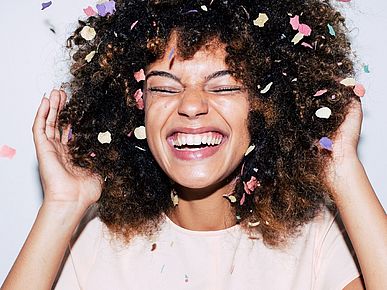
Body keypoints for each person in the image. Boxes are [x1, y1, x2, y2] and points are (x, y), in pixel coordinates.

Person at [2, 0, 387, 289]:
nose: (190, 105)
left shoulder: (318, 237)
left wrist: (341, 167)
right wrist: (62, 205)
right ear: (135, 109)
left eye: (223, 86)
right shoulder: (91, 241)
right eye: (165, 88)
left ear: (268, 106)